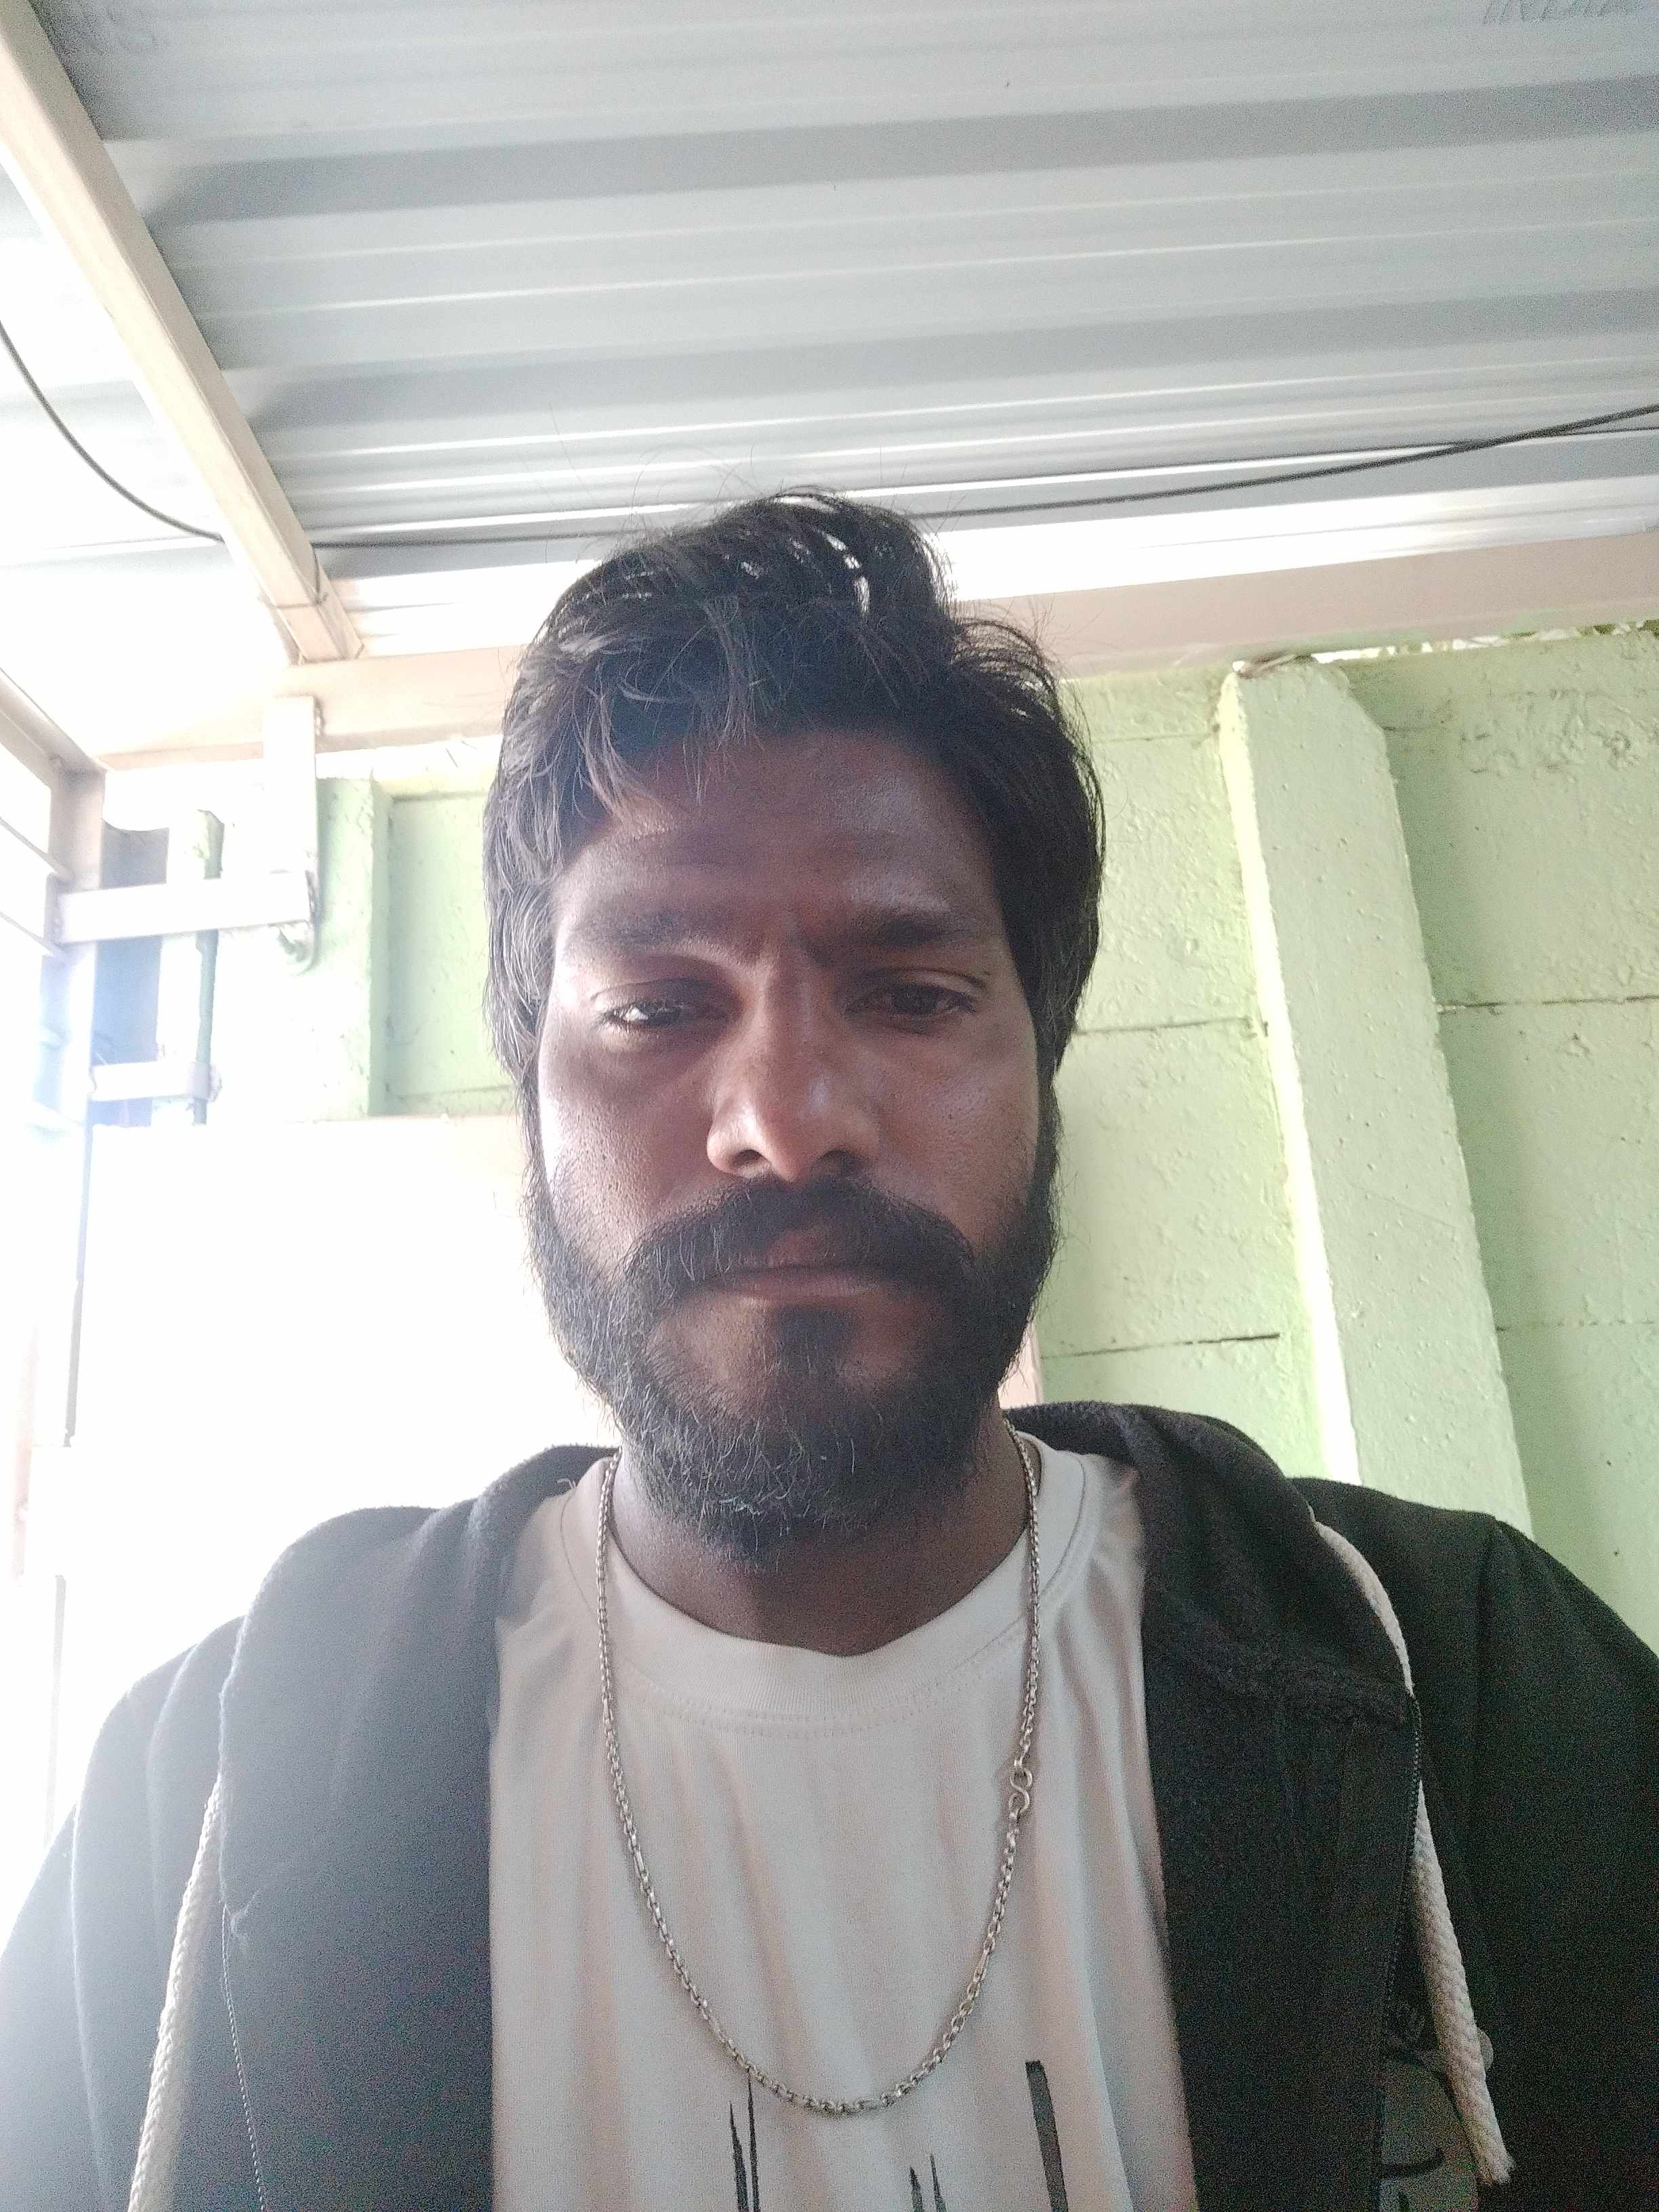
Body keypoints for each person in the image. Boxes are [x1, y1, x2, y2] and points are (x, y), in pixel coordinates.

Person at [1, 494, 1654, 2212]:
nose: (786, 1122)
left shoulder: (1466, 1683)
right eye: (657, 1007)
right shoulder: (211, 1794)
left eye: (912, 994)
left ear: (1042, 1070)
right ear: (534, 1094)